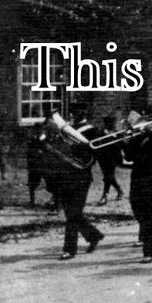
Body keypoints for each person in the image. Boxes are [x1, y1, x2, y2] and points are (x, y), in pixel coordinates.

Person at [51, 108, 104, 260]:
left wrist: (78, 147)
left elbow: (94, 153)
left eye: (74, 113)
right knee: (71, 213)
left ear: (82, 114)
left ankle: (70, 249)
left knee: (73, 213)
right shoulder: (69, 129)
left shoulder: (92, 131)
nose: (71, 116)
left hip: (81, 176)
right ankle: (93, 235)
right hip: (66, 175)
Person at [123, 118, 152, 262]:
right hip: (138, 179)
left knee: (150, 215)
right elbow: (128, 157)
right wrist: (125, 143)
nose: (137, 127)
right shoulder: (136, 138)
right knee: (138, 212)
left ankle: (149, 253)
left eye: (140, 124)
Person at [93, 115, 124, 205]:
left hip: (114, 157)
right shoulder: (100, 132)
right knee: (109, 176)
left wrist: (114, 137)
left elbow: (121, 145)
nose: (113, 125)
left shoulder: (117, 133)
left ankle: (105, 196)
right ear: (106, 124)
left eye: (113, 123)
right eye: (110, 123)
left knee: (108, 176)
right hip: (102, 157)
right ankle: (119, 190)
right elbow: (96, 143)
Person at [25, 122, 54, 211]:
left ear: (43, 130)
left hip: (45, 165)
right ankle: (32, 201)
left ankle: (54, 201)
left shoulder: (48, 139)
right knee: (32, 184)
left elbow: (50, 151)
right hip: (35, 165)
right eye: (36, 129)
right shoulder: (32, 139)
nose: (38, 131)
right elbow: (29, 152)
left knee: (51, 184)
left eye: (40, 129)